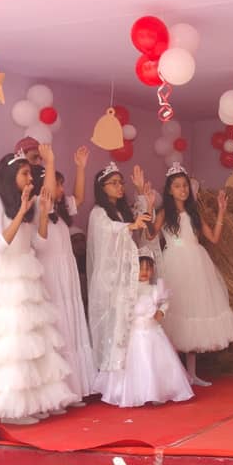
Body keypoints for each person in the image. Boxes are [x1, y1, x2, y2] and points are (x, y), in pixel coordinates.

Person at [0, 150, 76, 425]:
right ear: (11, 176)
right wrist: (22, 212)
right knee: (11, 342)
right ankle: (10, 408)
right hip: (5, 277)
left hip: (27, 271)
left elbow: (40, 244)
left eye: (30, 174)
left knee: (33, 342)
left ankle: (31, 401)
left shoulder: (29, 202)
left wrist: (41, 214)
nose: (30, 179)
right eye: (25, 174)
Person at [144, 162, 233, 386]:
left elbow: (214, 238)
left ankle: (192, 374)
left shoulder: (194, 212)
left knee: (194, 313)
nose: (182, 190)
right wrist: (149, 209)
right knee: (175, 314)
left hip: (197, 264)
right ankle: (175, 374)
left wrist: (221, 212)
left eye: (185, 186)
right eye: (177, 186)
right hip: (174, 264)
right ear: (169, 190)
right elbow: (150, 235)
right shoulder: (164, 213)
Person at [31, 146, 96, 408]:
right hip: (49, 272)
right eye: (58, 184)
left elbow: (78, 197)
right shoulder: (39, 208)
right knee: (58, 325)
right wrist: (51, 161)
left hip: (65, 270)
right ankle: (59, 392)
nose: (61, 189)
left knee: (71, 322)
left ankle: (74, 388)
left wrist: (80, 167)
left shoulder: (60, 211)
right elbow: (47, 190)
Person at [95, 248, 194, 407]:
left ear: (153, 270)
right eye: (141, 268)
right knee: (137, 362)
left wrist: (161, 311)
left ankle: (157, 391)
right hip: (133, 333)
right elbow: (120, 309)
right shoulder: (129, 291)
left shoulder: (155, 289)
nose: (144, 272)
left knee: (154, 361)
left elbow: (165, 302)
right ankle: (136, 392)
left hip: (152, 332)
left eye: (148, 269)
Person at [87, 162, 151, 377]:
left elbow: (142, 218)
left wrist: (140, 189)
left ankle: (129, 372)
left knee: (126, 320)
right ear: (102, 187)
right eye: (113, 183)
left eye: (121, 183)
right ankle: (111, 373)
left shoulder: (122, 211)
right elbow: (108, 230)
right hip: (109, 278)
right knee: (112, 322)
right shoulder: (98, 213)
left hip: (124, 274)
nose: (119, 186)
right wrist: (129, 226)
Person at [69, 226, 88, 317]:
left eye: (82, 241)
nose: (80, 245)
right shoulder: (67, 267)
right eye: (75, 241)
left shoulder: (90, 261)